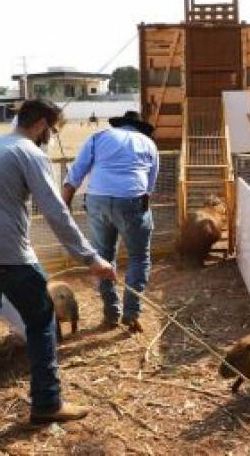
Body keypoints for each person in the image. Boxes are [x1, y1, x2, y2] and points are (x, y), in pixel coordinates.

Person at [0, 99, 116, 424]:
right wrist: (91, 258)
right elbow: (56, 212)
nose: (51, 136)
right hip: (7, 255)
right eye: (53, 130)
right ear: (42, 124)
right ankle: (47, 403)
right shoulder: (29, 153)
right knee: (41, 317)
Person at [62, 110, 158, 334]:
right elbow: (149, 186)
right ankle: (131, 315)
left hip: (97, 199)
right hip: (132, 199)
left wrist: (63, 206)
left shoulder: (99, 137)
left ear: (120, 125)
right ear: (140, 127)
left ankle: (110, 314)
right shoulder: (149, 144)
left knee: (102, 258)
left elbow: (75, 173)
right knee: (139, 258)